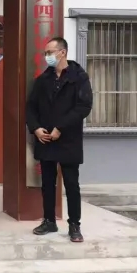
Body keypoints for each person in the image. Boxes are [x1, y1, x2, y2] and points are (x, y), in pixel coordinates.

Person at [26, 37, 93, 242]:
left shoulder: (79, 77)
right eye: (46, 53)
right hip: (45, 138)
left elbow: (83, 107)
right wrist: (36, 128)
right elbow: (31, 107)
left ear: (62, 52)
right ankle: (49, 220)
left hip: (68, 139)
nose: (47, 56)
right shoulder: (43, 79)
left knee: (71, 183)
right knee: (47, 183)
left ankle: (74, 225)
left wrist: (60, 128)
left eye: (50, 52)